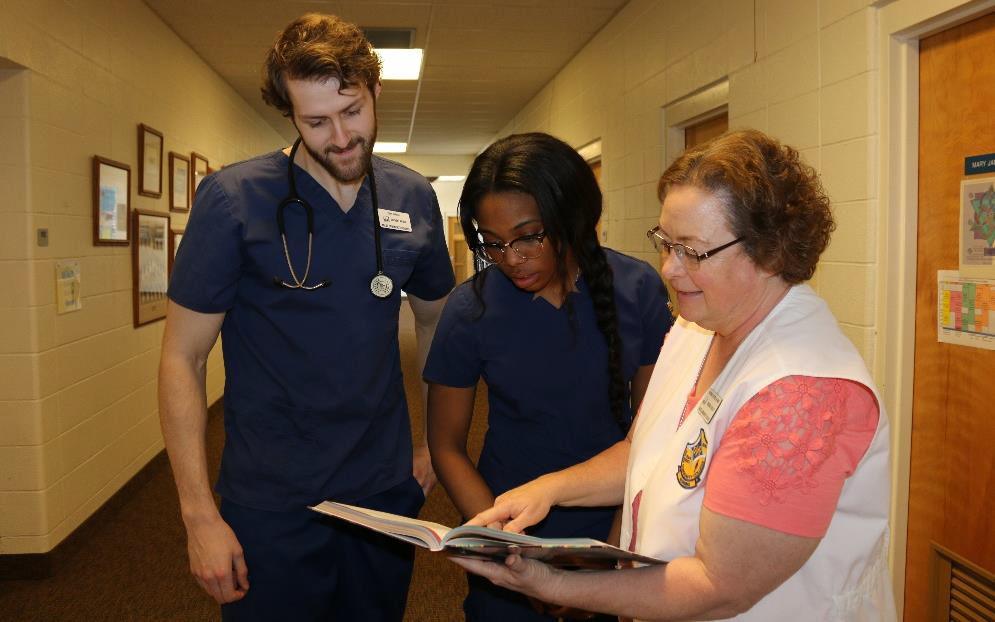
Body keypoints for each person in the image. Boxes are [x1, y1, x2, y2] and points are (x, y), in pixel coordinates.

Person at [452, 129, 896, 621]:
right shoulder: (697, 326)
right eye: (665, 243)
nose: (668, 269)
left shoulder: (802, 393)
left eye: (693, 251)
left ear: (771, 250)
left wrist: (553, 582)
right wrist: (549, 489)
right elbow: (652, 450)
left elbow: (716, 585)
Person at [158, 13, 454, 621]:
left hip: (381, 488)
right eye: (316, 122)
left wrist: (434, 444)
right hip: (272, 496)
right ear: (289, 116)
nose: (341, 137)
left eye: (353, 112)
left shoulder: (410, 196)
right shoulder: (234, 201)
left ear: (375, 91)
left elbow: (434, 322)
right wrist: (197, 515)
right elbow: (181, 358)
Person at [424, 132, 672, 621]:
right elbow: (447, 446)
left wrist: (608, 557)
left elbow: (654, 439)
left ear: (572, 220)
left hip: (616, 524)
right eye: (492, 243)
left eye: (528, 236)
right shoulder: (470, 309)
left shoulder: (638, 289)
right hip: (506, 519)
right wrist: (504, 548)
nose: (510, 258)